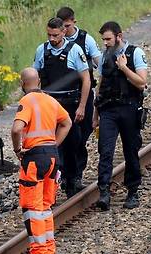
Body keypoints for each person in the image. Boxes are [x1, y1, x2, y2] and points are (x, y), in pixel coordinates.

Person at [11, 68, 72, 254]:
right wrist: (54, 144)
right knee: (46, 207)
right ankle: (49, 251)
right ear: (38, 81)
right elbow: (67, 122)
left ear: (22, 84)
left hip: (34, 159)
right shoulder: (51, 100)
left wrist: (17, 149)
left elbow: (17, 128)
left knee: (33, 208)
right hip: (52, 157)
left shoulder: (26, 101)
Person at [93, 21, 148, 210]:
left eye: (108, 39)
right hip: (108, 109)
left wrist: (124, 68)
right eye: (103, 39)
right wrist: (95, 114)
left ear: (119, 36)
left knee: (130, 150)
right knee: (105, 151)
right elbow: (100, 86)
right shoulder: (105, 56)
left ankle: (132, 191)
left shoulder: (135, 53)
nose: (106, 43)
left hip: (130, 108)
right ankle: (104, 192)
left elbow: (141, 83)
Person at [33, 17, 90, 198]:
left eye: (55, 35)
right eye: (49, 35)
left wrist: (82, 106)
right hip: (49, 105)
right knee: (52, 146)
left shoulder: (75, 50)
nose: (52, 39)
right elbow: (35, 77)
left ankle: (73, 179)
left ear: (63, 32)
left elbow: (86, 79)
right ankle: (57, 181)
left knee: (73, 143)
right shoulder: (42, 50)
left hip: (69, 105)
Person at [57, 7, 103, 190]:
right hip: (62, 98)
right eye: (63, 27)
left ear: (73, 22)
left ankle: (76, 173)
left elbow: (99, 62)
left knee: (80, 136)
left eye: (67, 26)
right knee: (63, 137)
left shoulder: (86, 39)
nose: (65, 30)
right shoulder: (55, 43)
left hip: (83, 95)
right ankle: (67, 174)